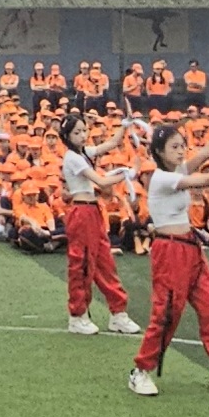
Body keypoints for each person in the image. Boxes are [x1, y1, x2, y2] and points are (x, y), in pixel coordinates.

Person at [129, 109, 209, 399]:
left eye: (181, 145)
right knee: (166, 314)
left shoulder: (178, 170)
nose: (181, 151)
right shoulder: (161, 178)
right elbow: (202, 180)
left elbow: (205, 153)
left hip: (190, 247)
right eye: (174, 147)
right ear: (159, 152)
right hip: (169, 250)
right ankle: (141, 369)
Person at [58, 112, 137, 334]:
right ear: (67, 135)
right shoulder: (72, 158)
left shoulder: (83, 153)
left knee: (105, 262)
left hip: (92, 211)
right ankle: (78, 314)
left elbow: (111, 143)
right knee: (82, 264)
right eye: (77, 132)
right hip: (81, 211)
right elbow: (101, 182)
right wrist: (126, 174)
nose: (83, 135)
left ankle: (118, 313)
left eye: (84, 130)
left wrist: (124, 125)